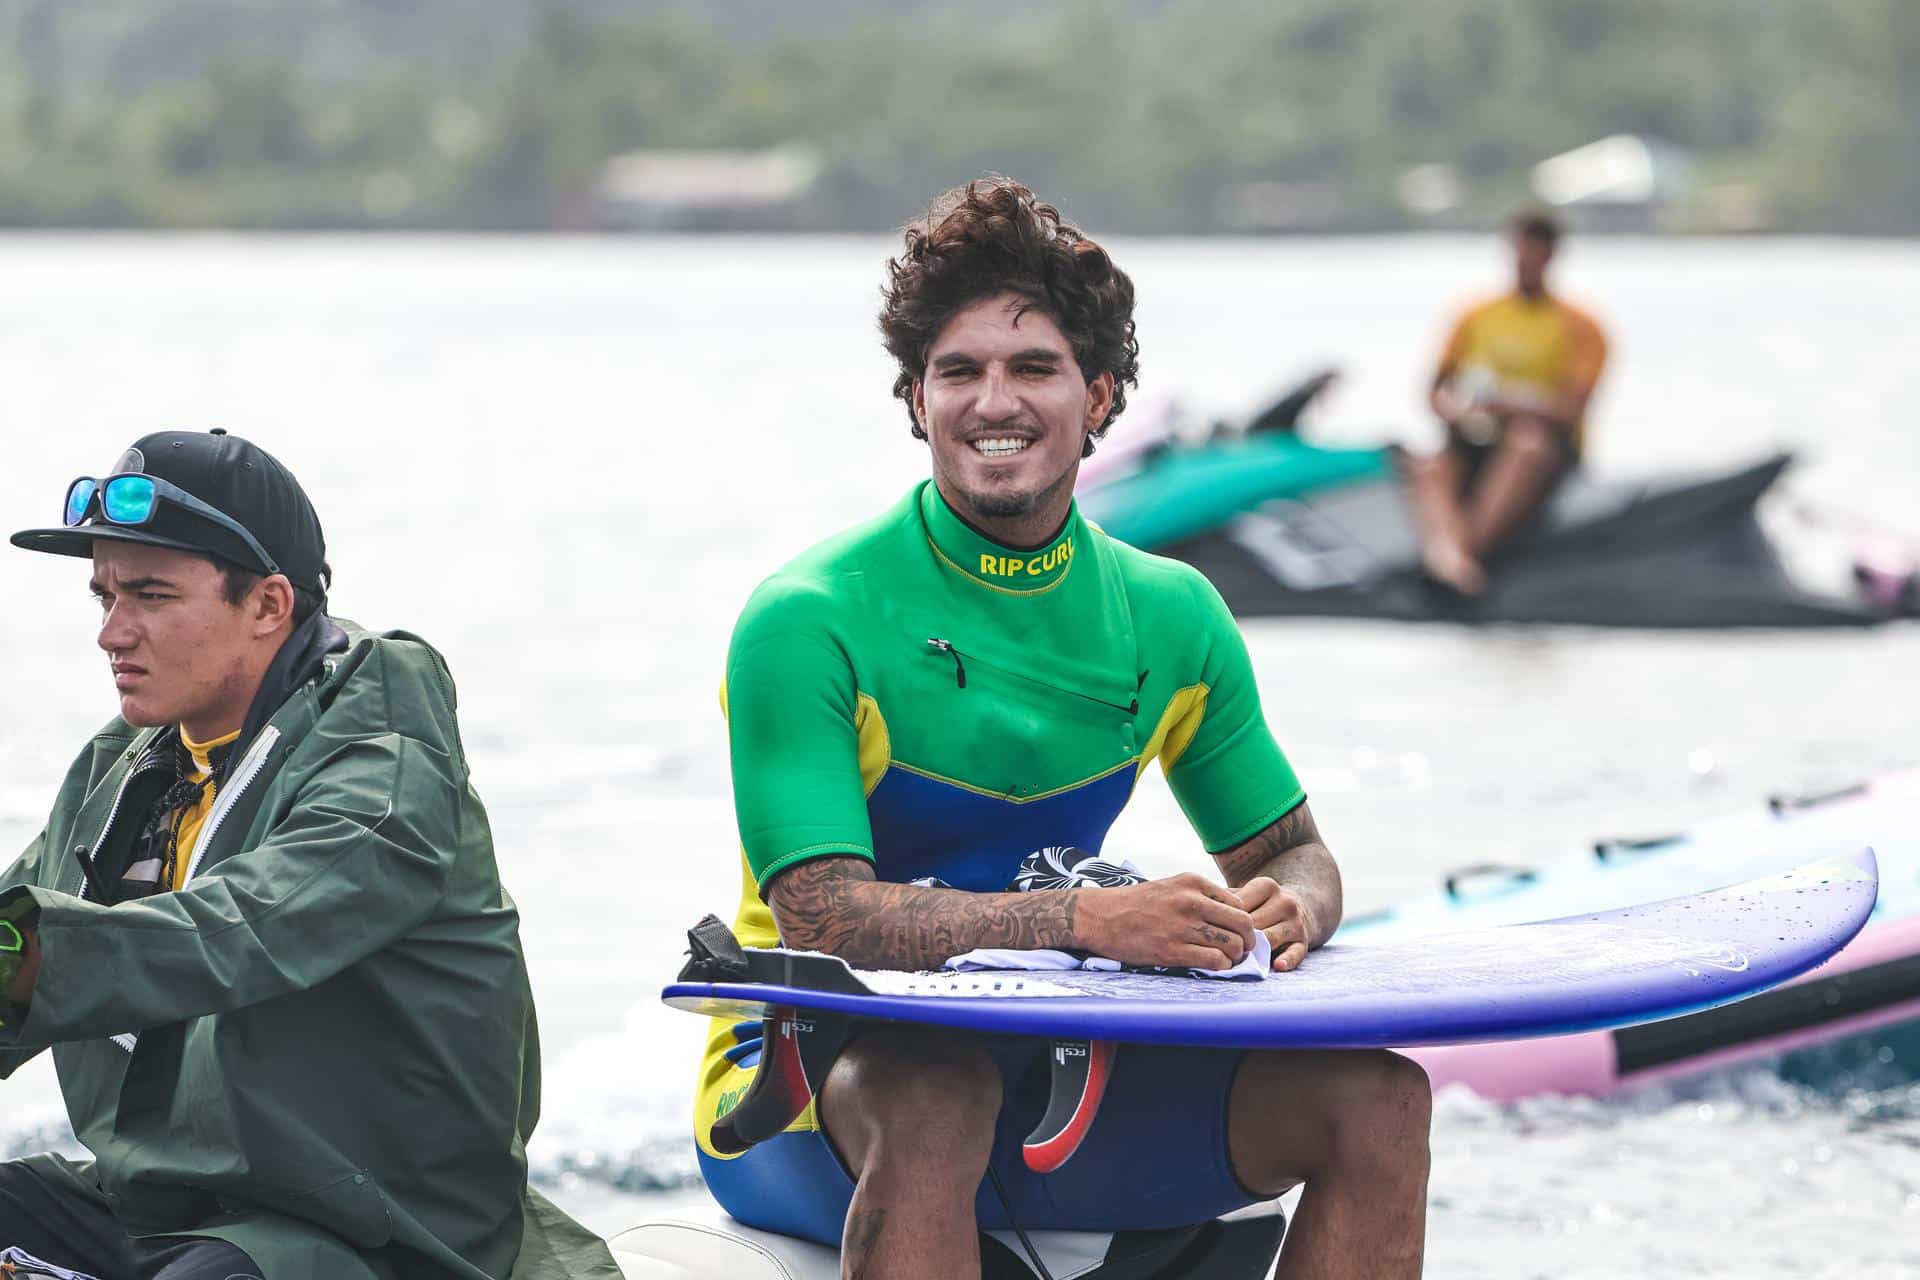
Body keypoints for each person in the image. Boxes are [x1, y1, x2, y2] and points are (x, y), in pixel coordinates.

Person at [696, 178, 1431, 1279]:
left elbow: (1293, 853)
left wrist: (1294, 910)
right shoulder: (810, 619)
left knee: (1378, 1097)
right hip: (812, 1083)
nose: (996, 399)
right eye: (960, 370)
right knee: (942, 1090)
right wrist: (1090, 918)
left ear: (1101, 395)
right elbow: (823, 916)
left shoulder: (1172, 615)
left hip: (1066, 1076)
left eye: (1033, 366)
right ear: (916, 399)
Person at [0, 431, 615, 1280]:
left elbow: (246, 924)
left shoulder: (387, 764)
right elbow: (19, 914)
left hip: (370, 1232)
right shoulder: (132, 762)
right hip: (164, 1205)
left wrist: (25, 958)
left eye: (149, 594)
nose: (112, 632)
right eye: (103, 595)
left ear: (268, 605)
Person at [1414, 209, 1609, 595]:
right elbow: (1435, 389)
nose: (1523, 263)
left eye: (1532, 254)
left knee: (1526, 442)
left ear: (1551, 256)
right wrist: (1454, 412)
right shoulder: (1476, 315)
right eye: (1518, 253)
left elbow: (1572, 409)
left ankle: (1470, 552)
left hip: (1545, 445)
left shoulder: (1582, 325)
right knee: (1431, 463)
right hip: (1479, 435)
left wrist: (1512, 405)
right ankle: (1446, 554)